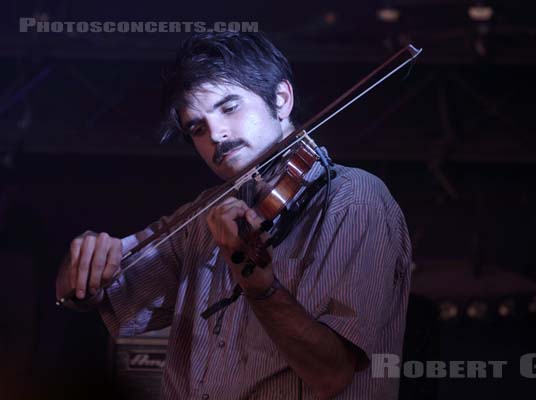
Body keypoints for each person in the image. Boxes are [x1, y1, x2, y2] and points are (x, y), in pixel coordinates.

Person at [55, 31, 412, 399]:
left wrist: (261, 288)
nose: (217, 135)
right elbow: (109, 295)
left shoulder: (354, 199)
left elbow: (331, 372)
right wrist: (82, 264)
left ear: (281, 98)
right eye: (197, 128)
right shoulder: (205, 216)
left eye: (229, 107)